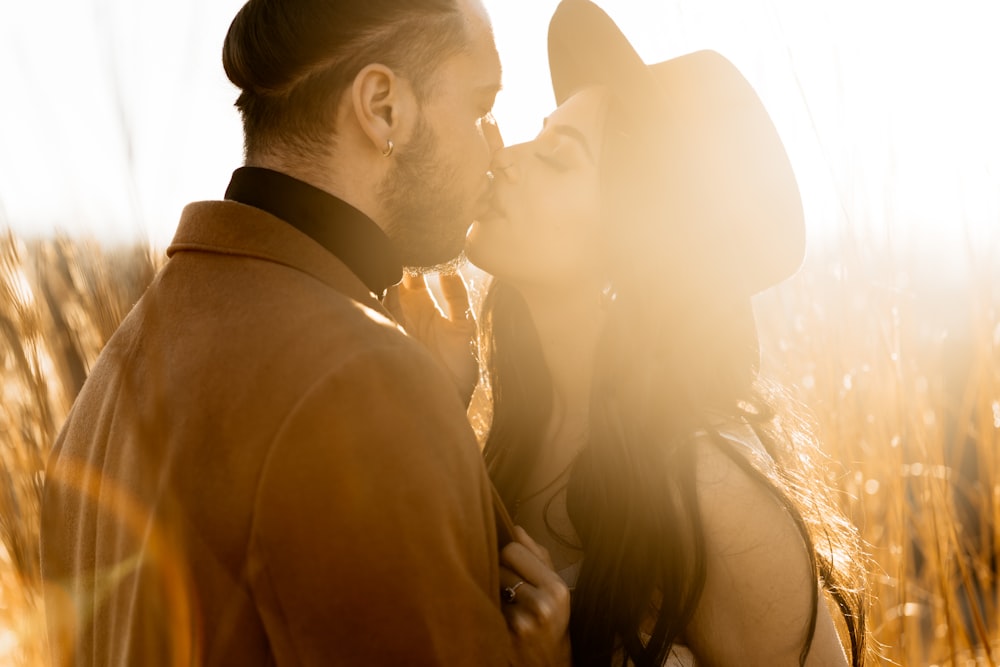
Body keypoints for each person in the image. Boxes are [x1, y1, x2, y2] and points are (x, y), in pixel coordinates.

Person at [39, 1, 570, 665]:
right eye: (480, 105)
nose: (495, 147)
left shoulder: (113, 377)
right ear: (383, 107)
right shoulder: (361, 380)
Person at [462, 1, 871, 665]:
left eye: (557, 157)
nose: (505, 158)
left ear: (631, 244)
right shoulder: (513, 428)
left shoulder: (712, 496)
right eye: (538, 134)